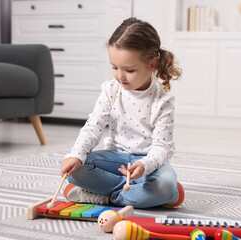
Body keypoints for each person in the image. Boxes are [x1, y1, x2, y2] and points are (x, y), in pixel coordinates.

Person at [61, 17, 183, 208]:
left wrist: (144, 166)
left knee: (165, 185)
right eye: (114, 67)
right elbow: (94, 126)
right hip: (114, 159)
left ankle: (106, 196)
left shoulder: (163, 100)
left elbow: (161, 147)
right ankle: (139, 192)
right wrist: (76, 154)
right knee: (76, 171)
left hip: (148, 163)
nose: (119, 76)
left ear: (152, 64)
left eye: (129, 70)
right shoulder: (110, 90)